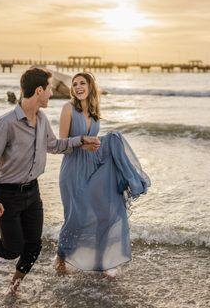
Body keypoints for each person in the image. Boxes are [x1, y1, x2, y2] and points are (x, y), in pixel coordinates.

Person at [0, 67, 100, 292]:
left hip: (33, 193)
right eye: (49, 90)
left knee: (34, 247)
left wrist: (81, 140)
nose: (51, 94)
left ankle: (13, 287)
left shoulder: (42, 119)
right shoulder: (6, 123)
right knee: (12, 250)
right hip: (7, 195)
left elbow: (53, 145)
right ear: (38, 91)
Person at [54, 72, 150, 275]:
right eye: (75, 84)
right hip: (73, 170)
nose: (78, 87)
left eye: (82, 83)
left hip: (93, 167)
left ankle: (100, 261)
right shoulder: (68, 108)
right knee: (75, 218)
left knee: (103, 215)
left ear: (90, 87)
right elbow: (61, 144)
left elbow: (94, 142)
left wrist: (101, 144)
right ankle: (60, 259)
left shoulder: (95, 112)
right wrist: (83, 142)